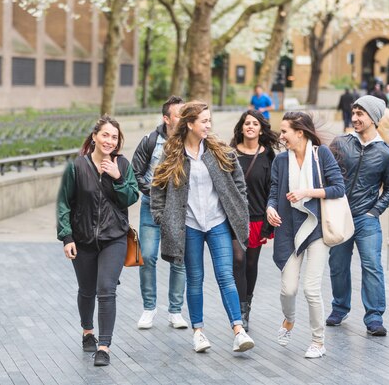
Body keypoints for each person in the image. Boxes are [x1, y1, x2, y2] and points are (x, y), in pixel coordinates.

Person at [150, 101, 255, 353]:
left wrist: (239, 208)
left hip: (217, 222)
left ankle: (238, 331)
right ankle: (198, 332)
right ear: (189, 124)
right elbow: (157, 189)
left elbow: (239, 184)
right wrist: (163, 219)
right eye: (204, 121)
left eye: (210, 120)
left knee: (225, 276)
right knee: (195, 279)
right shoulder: (172, 154)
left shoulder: (220, 151)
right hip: (189, 226)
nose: (208, 125)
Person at [56, 115, 139, 366]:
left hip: (114, 238)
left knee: (106, 290)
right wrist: (66, 237)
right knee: (87, 290)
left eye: (114, 137)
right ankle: (87, 331)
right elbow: (64, 203)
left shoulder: (122, 165)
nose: (109, 141)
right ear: (94, 137)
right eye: (105, 135)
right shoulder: (76, 167)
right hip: (82, 240)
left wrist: (118, 178)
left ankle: (104, 346)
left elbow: (131, 197)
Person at [266, 111, 346, 358]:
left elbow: (338, 188)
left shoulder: (320, 154)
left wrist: (307, 192)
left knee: (311, 289)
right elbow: (274, 190)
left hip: (317, 228)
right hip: (288, 230)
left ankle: (318, 342)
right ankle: (289, 320)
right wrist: (270, 207)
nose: (281, 136)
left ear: (299, 132)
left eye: (285, 131)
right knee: (288, 289)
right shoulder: (280, 160)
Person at [327, 95, 389, 336]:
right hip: (339, 216)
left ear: (374, 118)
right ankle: (339, 307)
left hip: (366, 219)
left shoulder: (386, 153)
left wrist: (374, 211)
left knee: (372, 266)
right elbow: (324, 174)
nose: (354, 118)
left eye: (360, 114)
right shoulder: (340, 143)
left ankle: (375, 317)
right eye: (354, 113)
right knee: (337, 265)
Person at [131, 96, 188, 330]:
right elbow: (135, 173)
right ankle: (149, 308)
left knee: (179, 260)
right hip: (150, 207)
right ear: (166, 118)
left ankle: (175, 311)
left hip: (179, 210)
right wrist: (155, 195)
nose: (183, 119)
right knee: (148, 256)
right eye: (178, 115)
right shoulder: (150, 141)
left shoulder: (190, 141)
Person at [229, 110, 280, 331]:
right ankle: (240, 311)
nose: (250, 126)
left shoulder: (269, 155)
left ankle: (247, 303)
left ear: (261, 129)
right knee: (238, 261)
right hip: (234, 218)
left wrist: (272, 212)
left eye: (255, 123)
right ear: (241, 128)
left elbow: (273, 188)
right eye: (247, 123)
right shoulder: (230, 154)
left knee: (250, 263)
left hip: (258, 218)